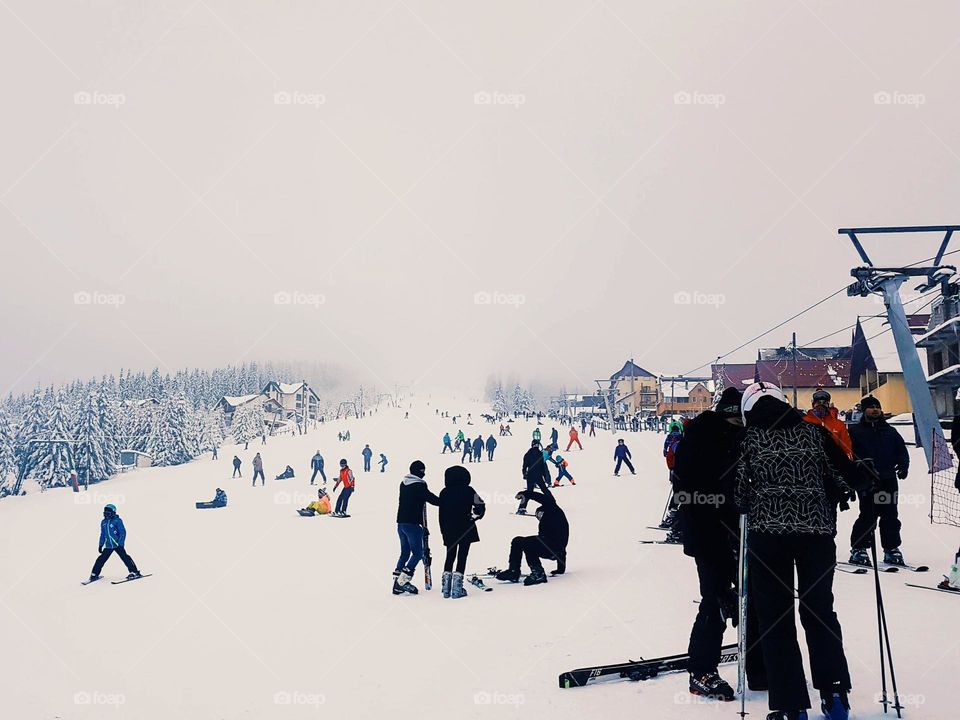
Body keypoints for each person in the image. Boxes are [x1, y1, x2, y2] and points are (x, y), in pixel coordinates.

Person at [736, 382, 870, 720]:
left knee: (776, 617)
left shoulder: (749, 440)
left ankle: (791, 706)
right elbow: (848, 472)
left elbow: (738, 492)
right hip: (817, 535)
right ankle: (835, 694)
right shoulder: (815, 433)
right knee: (819, 610)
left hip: (769, 537)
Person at [672, 387, 762, 702]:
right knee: (717, 600)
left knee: (749, 598)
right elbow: (689, 490)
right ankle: (702, 671)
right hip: (712, 535)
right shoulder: (707, 440)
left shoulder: (729, 438)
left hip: (734, 532)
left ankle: (759, 667)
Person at [847, 395, 910, 567]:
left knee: (890, 514)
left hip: (888, 479)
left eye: (877, 407)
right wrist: (854, 475)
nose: (875, 410)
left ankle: (891, 548)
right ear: (864, 410)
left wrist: (903, 465)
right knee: (868, 514)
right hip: (867, 481)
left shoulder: (889, 431)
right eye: (871, 407)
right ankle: (859, 548)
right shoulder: (855, 432)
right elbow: (848, 455)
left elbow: (901, 450)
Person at [496, 490, 568, 586]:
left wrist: (525, 493)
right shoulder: (546, 521)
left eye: (539, 515)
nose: (538, 517)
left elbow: (545, 499)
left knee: (528, 543)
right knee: (518, 541)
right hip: (551, 548)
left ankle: (538, 574)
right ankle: (513, 571)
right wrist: (561, 568)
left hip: (554, 548)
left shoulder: (553, 509)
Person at [438, 465, 486, 598]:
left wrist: (443, 531)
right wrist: (476, 515)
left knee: (450, 555)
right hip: (465, 528)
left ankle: (446, 588)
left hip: (449, 529)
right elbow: (480, 505)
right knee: (462, 556)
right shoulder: (469, 490)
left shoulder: (444, 492)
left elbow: (440, 515)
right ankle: (457, 589)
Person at [393, 460, 440, 595]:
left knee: (405, 553)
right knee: (418, 553)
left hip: (401, 524)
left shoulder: (403, 484)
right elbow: (431, 498)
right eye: (423, 470)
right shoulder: (419, 485)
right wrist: (445, 502)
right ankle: (402, 581)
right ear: (420, 471)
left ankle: (396, 583)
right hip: (413, 524)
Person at [89, 504, 141, 582]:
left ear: (113, 513)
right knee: (100, 559)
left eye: (108, 513)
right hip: (109, 545)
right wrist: (100, 544)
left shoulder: (117, 521)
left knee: (125, 557)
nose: (106, 515)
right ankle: (94, 574)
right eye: (105, 513)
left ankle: (134, 572)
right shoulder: (103, 522)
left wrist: (120, 543)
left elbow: (123, 532)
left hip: (117, 544)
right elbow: (102, 534)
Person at [802, 388, 853, 459]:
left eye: (824, 403)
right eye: (818, 403)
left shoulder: (838, 424)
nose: (821, 405)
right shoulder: (804, 422)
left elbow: (846, 446)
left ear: (828, 405)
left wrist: (848, 462)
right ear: (813, 404)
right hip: (810, 462)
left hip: (833, 463)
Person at [518, 440, 552, 514]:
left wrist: (524, 474)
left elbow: (524, 466)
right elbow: (543, 467)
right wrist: (546, 477)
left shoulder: (528, 454)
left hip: (530, 476)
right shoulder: (540, 454)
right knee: (545, 490)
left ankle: (521, 508)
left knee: (529, 492)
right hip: (538, 476)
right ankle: (552, 503)